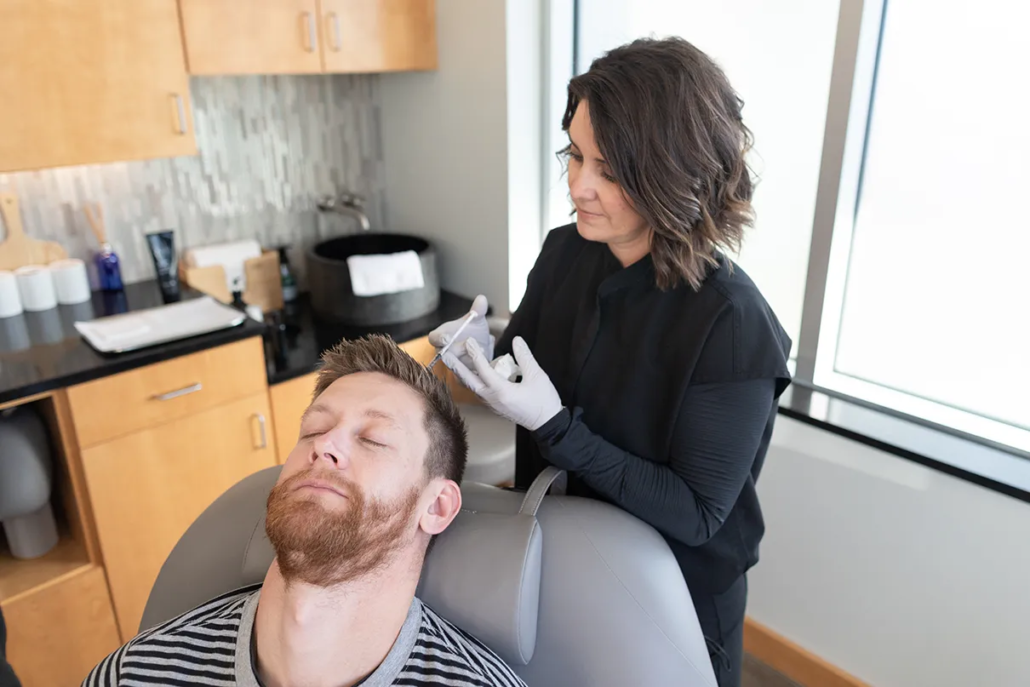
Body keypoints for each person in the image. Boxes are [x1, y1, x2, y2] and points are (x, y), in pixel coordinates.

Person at [431, 37, 791, 687]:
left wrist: (556, 425)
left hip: (672, 593)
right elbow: (530, 367)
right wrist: (484, 359)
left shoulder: (732, 324)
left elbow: (696, 512)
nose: (578, 184)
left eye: (610, 169)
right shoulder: (567, 250)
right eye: (575, 154)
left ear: (674, 171)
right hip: (560, 551)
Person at [82, 335, 525, 687]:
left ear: (437, 506)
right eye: (313, 429)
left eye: (372, 438)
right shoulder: (133, 674)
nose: (324, 446)